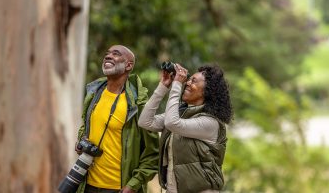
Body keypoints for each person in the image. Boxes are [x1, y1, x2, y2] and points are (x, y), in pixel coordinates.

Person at [76, 45, 159, 193]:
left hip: (118, 188)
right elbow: (87, 127)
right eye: (107, 53)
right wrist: (81, 140)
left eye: (116, 54)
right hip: (87, 184)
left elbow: (153, 155)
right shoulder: (94, 94)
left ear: (128, 65)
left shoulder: (137, 105)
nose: (108, 56)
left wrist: (133, 185)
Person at [138, 63, 233, 193]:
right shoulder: (182, 114)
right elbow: (145, 122)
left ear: (208, 91)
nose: (187, 83)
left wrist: (176, 84)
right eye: (188, 79)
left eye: (193, 81)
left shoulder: (210, 123)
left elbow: (172, 124)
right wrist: (163, 86)